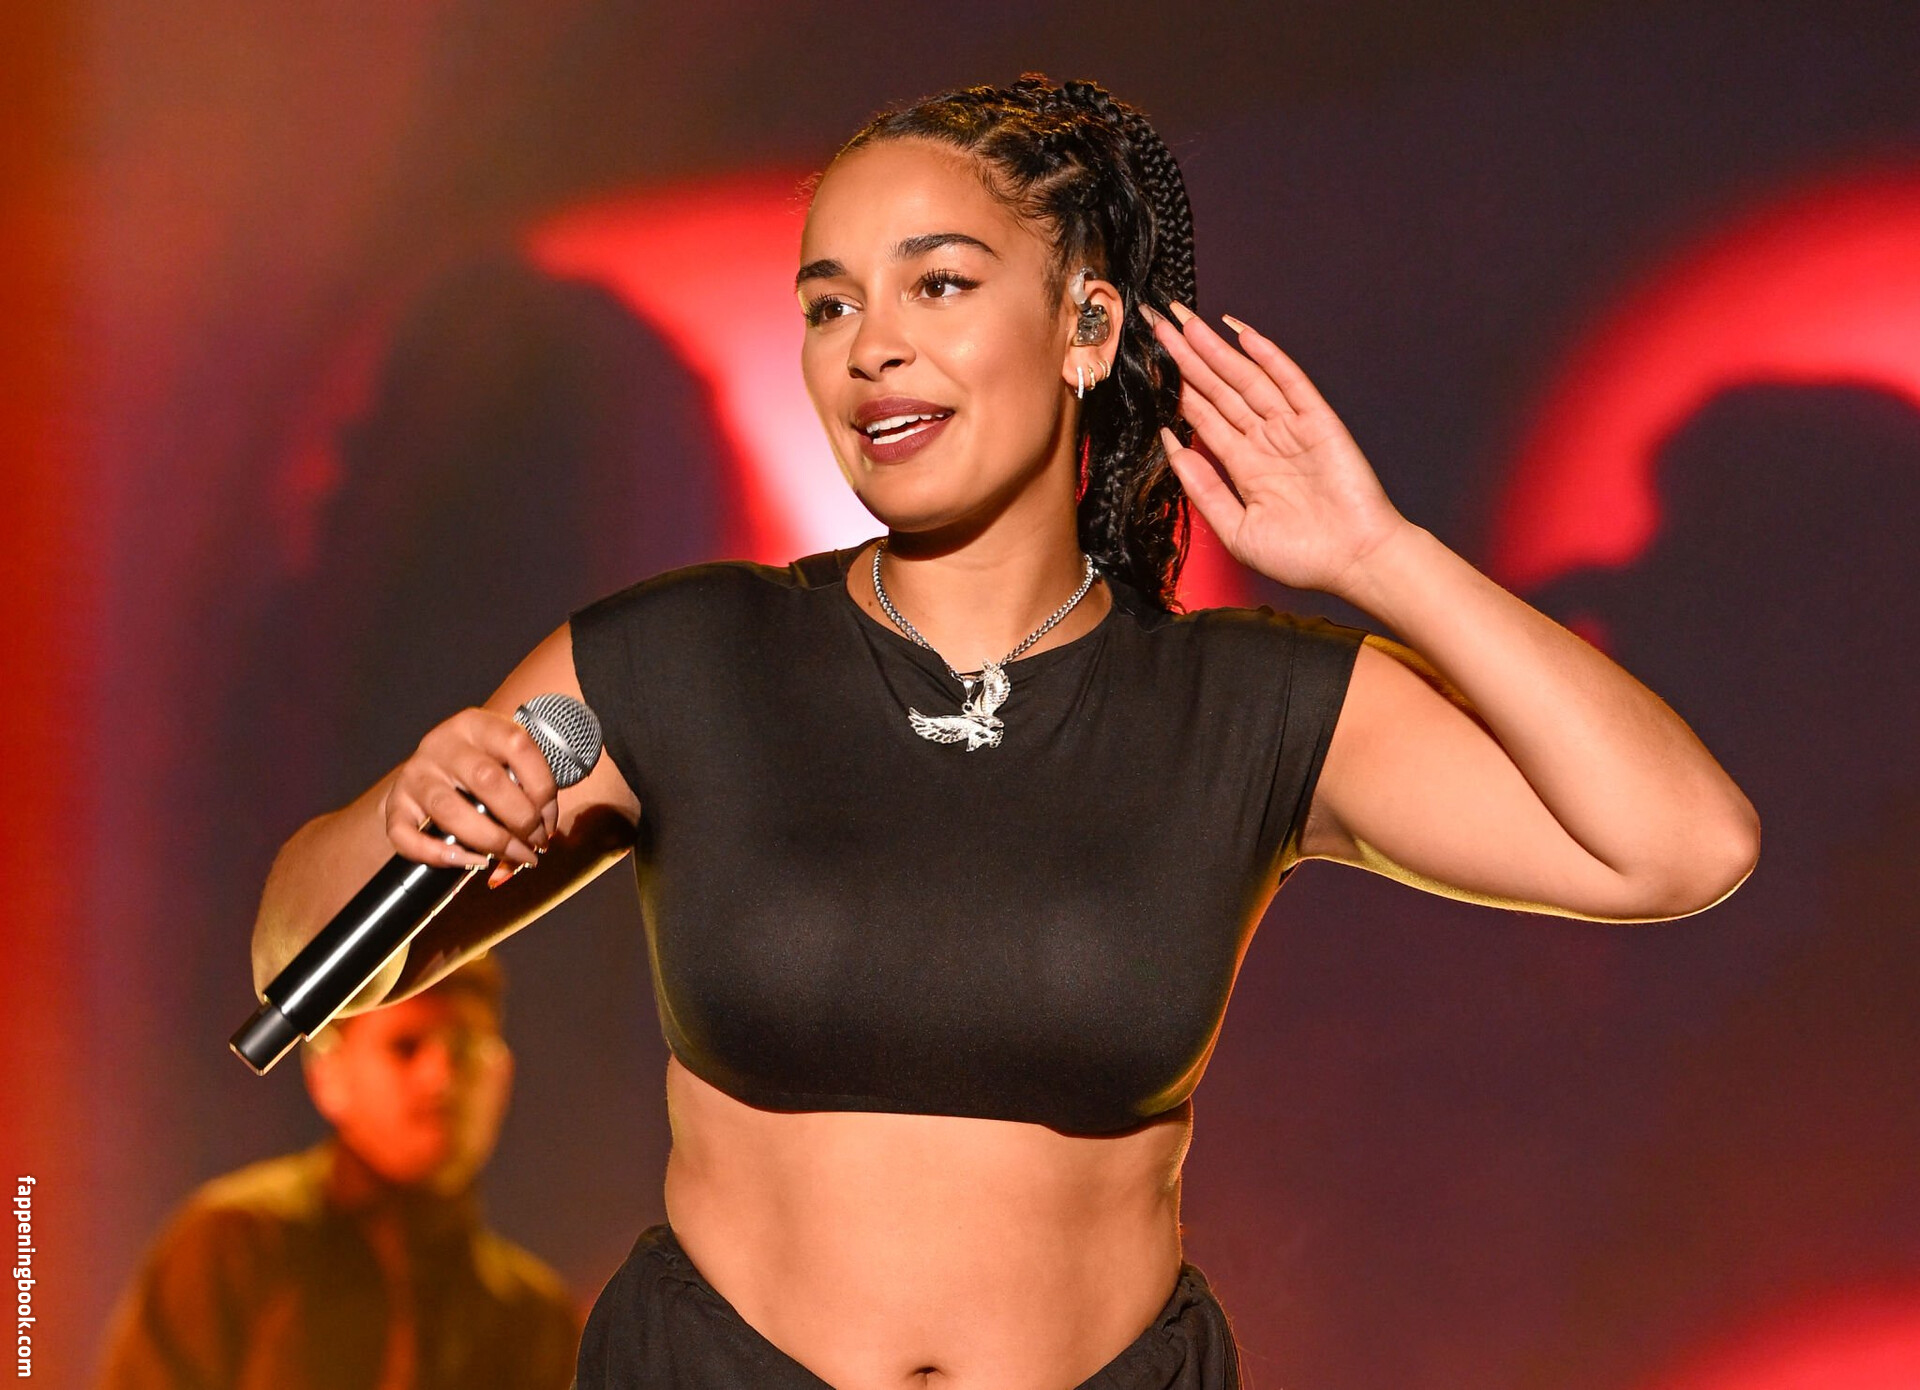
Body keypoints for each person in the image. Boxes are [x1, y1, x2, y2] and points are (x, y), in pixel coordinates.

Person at [246, 74, 1760, 1390]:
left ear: (1087, 325)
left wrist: (1379, 555)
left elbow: (1681, 844)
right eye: (830, 303)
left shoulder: (1241, 702)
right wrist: (404, 814)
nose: (871, 347)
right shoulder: (685, 655)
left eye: (940, 285)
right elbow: (293, 965)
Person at [97, 955, 580, 1390]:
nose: (441, 1077)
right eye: (405, 1047)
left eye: (466, 1049)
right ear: (327, 1075)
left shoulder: (537, 1319)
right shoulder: (238, 1244)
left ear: (503, 1077)